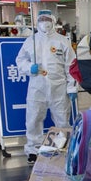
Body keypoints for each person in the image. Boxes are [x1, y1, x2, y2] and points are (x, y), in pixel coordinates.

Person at [15, 9, 78, 165]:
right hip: (37, 87)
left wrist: (72, 88)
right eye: (41, 19)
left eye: (47, 19)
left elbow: (71, 66)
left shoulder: (63, 41)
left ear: (53, 20)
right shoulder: (31, 41)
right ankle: (33, 150)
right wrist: (30, 67)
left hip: (59, 88)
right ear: (37, 22)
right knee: (33, 118)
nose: (44, 22)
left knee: (62, 119)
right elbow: (20, 61)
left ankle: (61, 148)